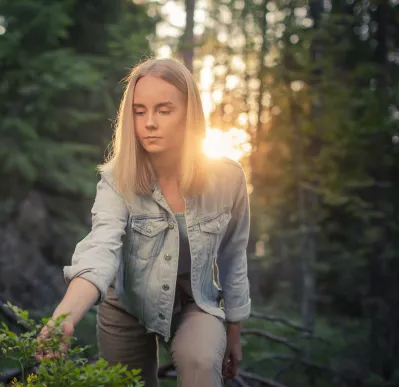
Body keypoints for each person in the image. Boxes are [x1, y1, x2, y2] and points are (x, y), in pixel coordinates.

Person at [35, 57, 251, 387]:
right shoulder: (115, 179)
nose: (150, 122)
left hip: (196, 301)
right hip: (126, 305)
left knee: (202, 361)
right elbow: (99, 250)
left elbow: (233, 257)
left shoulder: (228, 178)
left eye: (164, 110)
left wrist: (233, 331)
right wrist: (63, 318)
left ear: (188, 114)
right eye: (140, 111)